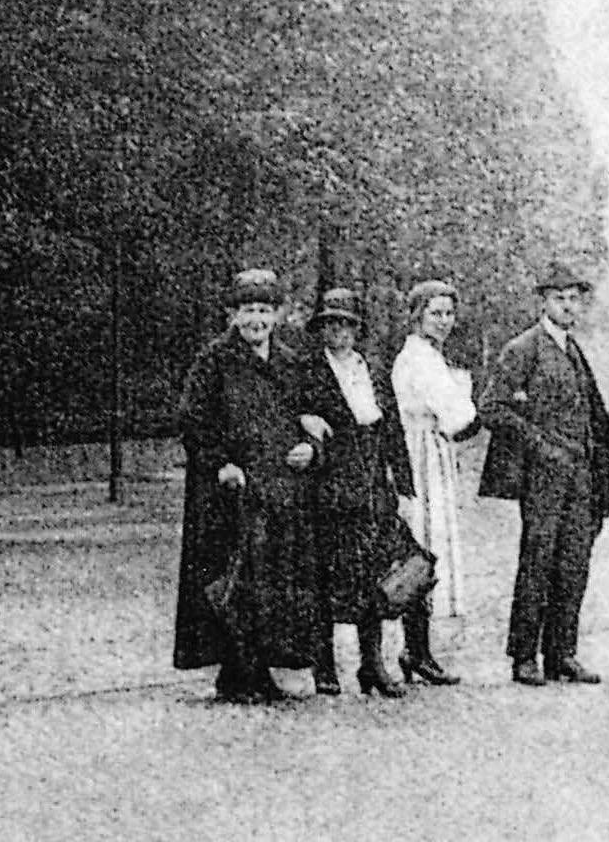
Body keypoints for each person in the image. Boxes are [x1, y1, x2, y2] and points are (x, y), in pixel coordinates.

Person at [174, 268, 321, 703]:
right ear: (232, 315)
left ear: (278, 315)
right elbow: (192, 420)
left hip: (281, 489)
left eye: (264, 310)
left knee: (273, 579)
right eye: (247, 310)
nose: (256, 319)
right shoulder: (214, 361)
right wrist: (220, 462)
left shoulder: (292, 363)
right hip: (231, 492)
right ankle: (236, 672)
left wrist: (311, 447)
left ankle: (261, 669)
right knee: (233, 580)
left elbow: (315, 415)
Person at [478, 260, 609, 687]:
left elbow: (592, 413)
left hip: (580, 476)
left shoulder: (574, 350)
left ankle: (562, 653)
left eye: (575, 300)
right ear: (543, 301)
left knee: (574, 563)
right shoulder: (524, 348)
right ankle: (524, 657)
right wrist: (539, 445)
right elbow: (492, 407)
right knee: (537, 563)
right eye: (560, 299)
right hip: (542, 477)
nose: (568, 307)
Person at [299, 287, 440, 697]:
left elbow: (391, 427)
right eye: (331, 323)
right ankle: (324, 666)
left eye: (346, 324)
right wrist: (306, 421)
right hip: (329, 485)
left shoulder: (372, 369)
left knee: (375, 573)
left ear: (358, 329)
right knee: (327, 575)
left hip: (373, 484)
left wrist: (405, 483)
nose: (339, 332)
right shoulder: (309, 371)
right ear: (322, 327)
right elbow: (293, 415)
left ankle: (372, 664)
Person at [391, 279, 481, 669]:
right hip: (420, 453)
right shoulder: (420, 358)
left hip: (431, 448)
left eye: (449, 313)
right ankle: (415, 649)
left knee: (428, 543)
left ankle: (419, 648)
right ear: (417, 316)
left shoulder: (429, 356)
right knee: (423, 544)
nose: (444, 321)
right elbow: (460, 416)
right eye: (436, 314)